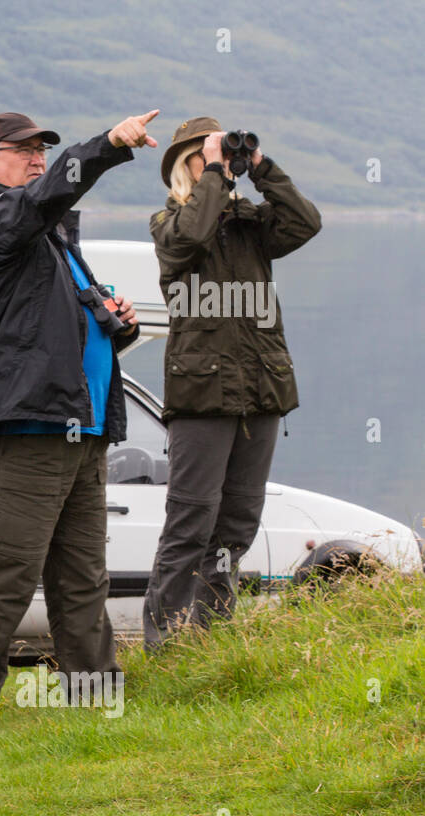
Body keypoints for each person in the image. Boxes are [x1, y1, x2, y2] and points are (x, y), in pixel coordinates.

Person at [0, 110, 156, 728]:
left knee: (83, 575)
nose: (37, 158)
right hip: (29, 428)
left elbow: (65, 331)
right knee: (9, 568)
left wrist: (119, 325)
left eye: (42, 150)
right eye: (24, 149)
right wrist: (110, 145)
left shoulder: (58, 242)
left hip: (83, 429)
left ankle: (94, 696)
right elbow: (48, 193)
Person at [143, 118, 321, 649]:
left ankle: (211, 637)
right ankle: (166, 643)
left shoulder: (251, 223)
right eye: (207, 156)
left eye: (224, 156)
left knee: (237, 524)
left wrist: (263, 170)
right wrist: (217, 173)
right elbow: (193, 235)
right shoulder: (167, 224)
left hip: (260, 393)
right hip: (201, 399)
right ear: (187, 167)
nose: (222, 164)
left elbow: (305, 221)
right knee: (190, 522)